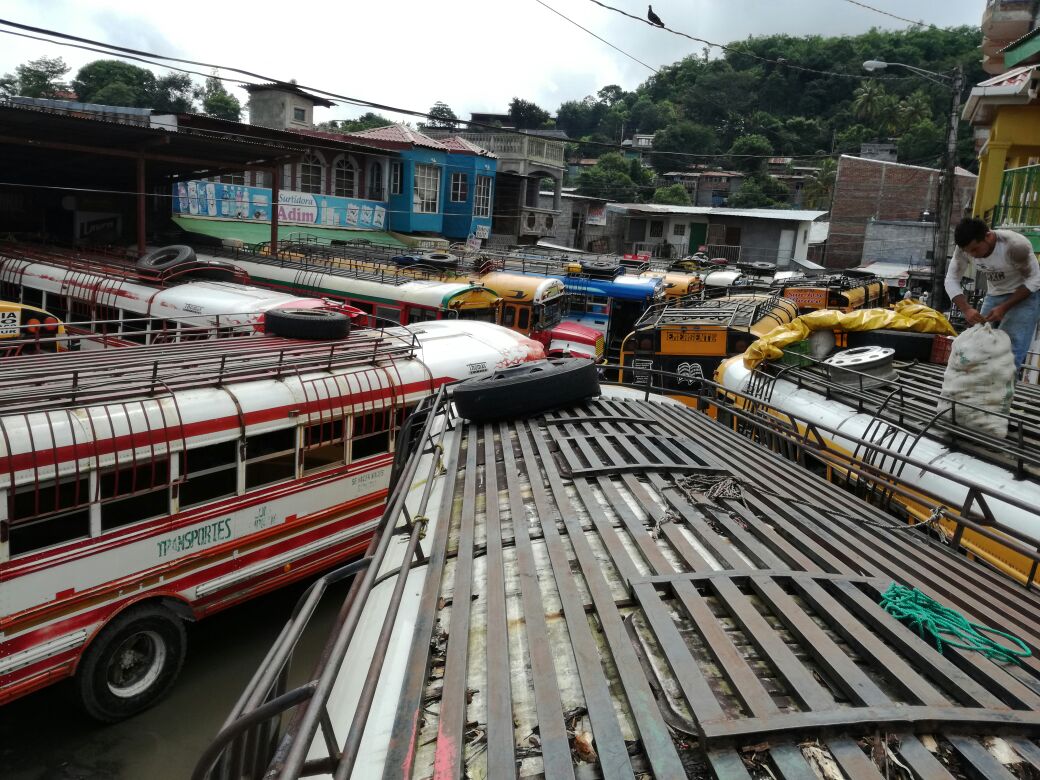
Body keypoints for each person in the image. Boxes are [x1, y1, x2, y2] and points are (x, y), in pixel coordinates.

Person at [946, 217, 1040, 370]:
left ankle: (1002, 393)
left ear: (988, 236)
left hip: (1025, 295)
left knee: (1009, 351)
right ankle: (978, 389)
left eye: (975, 249)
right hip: (995, 294)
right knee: (979, 343)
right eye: (968, 251)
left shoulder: (1015, 246)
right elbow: (951, 280)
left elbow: (1035, 280)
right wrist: (966, 309)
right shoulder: (965, 249)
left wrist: (1004, 308)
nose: (973, 255)